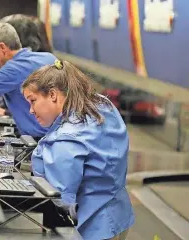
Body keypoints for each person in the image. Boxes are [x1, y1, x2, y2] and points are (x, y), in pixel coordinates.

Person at [21, 60, 135, 240]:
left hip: (92, 227)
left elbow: (61, 206)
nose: (31, 110)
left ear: (53, 95)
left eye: (32, 101)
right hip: (117, 216)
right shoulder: (101, 105)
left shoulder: (67, 139)